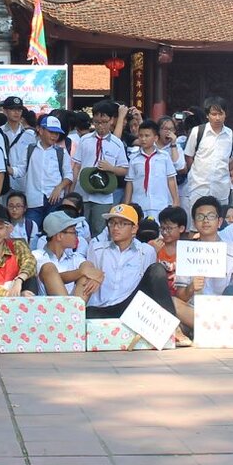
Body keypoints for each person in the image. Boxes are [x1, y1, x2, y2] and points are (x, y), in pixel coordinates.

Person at [82, 202, 178, 327]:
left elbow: (148, 284)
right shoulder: (96, 248)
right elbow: (88, 271)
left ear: (134, 229)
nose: (115, 228)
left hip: (131, 306)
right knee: (87, 313)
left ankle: (172, 326)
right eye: (112, 223)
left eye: (122, 223)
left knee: (157, 270)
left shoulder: (146, 251)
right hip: (101, 307)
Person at [72, 101, 131, 235]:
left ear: (112, 121)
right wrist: (72, 190)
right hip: (83, 193)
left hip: (103, 196)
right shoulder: (85, 140)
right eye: (97, 122)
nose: (100, 126)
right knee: (80, 229)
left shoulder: (117, 143)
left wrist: (111, 168)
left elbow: (124, 170)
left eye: (104, 122)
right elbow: (77, 166)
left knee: (100, 231)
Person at [182, 98, 233, 210]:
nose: (217, 118)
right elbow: (189, 156)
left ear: (225, 114)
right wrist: (197, 172)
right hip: (198, 187)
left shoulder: (230, 135)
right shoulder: (197, 131)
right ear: (207, 115)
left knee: (220, 219)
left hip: (221, 189)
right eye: (214, 114)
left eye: (220, 114)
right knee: (197, 218)